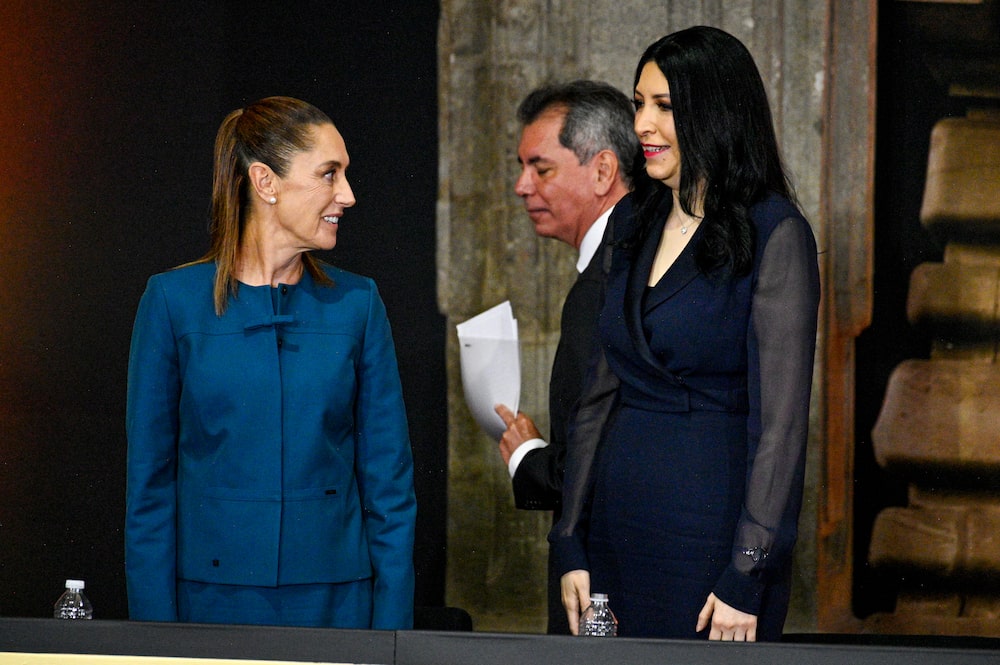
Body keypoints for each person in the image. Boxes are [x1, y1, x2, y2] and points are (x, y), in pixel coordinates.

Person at [550, 26, 821, 641]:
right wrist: (569, 538)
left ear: (715, 112)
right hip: (614, 534)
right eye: (639, 103)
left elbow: (781, 425)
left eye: (664, 107)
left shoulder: (774, 233)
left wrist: (746, 573)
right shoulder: (631, 217)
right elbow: (598, 392)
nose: (642, 124)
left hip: (710, 537)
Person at [125, 96, 416, 629]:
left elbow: (390, 491)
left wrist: (391, 637)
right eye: (329, 174)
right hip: (210, 607)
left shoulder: (359, 304)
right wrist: (153, 640)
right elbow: (149, 491)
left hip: (336, 609)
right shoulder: (171, 302)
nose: (347, 195)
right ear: (266, 182)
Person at [492, 80, 637, 634]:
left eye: (541, 168)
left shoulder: (608, 281)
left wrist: (526, 456)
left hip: (605, 577)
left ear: (602, 171)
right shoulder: (625, 261)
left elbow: (600, 456)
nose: (520, 185)